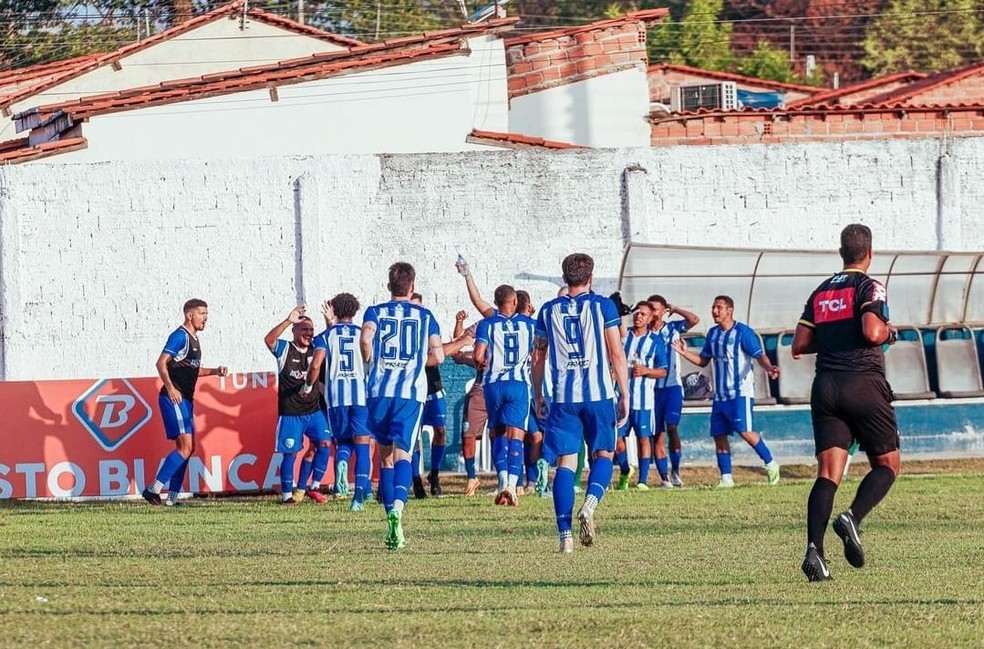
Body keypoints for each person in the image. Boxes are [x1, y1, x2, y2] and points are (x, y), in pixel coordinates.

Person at [792, 224, 901, 582]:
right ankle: (852, 517)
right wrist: (890, 332)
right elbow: (872, 332)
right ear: (869, 253)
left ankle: (815, 551)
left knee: (828, 473)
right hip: (863, 383)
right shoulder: (870, 285)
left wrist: (834, 337)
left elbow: (800, 344)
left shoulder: (821, 291)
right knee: (887, 464)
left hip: (825, 386)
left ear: (841, 253)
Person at [533, 253, 629, 554]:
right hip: (599, 395)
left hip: (564, 398)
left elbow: (538, 357)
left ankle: (565, 538)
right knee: (603, 453)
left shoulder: (548, 311)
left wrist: (538, 394)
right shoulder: (603, 306)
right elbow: (616, 352)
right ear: (591, 277)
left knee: (566, 463)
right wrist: (624, 393)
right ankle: (589, 505)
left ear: (564, 277)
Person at [361, 262, 444, 550]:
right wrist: (417, 364)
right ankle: (397, 507)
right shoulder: (425, 315)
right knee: (404, 454)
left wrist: (371, 360)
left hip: (378, 392)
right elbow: (439, 355)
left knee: (384, 458)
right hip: (410, 394)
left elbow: (365, 340)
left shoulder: (375, 312)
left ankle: (389, 522)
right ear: (412, 286)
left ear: (389, 285)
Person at [671, 296, 781, 488]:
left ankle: (771, 464)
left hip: (740, 393)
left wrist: (770, 367)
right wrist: (684, 352)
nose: (714, 311)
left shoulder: (743, 332)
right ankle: (726, 478)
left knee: (745, 432)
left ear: (729, 310)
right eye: (713, 307)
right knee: (719, 434)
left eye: (719, 307)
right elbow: (703, 361)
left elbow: (759, 355)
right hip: (720, 396)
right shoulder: (713, 334)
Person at [143, 299, 228, 506]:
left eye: (207, 314)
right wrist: (171, 389)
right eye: (202, 314)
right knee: (185, 448)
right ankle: (153, 489)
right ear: (190, 315)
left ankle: (172, 498)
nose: (205, 318)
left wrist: (215, 371)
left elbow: (193, 369)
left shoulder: (195, 340)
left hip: (186, 400)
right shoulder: (180, 335)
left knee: (189, 449)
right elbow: (161, 362)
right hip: (175, 397)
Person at [305, 294, 371, 511]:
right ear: (354, 311)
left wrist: (308, 386)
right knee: (362, 445)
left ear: (334, 309)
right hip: (360, 396)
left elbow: (315, 365)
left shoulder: (325, 336)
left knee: (343, 442)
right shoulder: (364, 333)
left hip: (335, 400)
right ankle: (360, 495)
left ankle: (342, 461)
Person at [473, 284, 537, 506]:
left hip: (492, 385)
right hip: (519, 384)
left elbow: (478, 355)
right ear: (516, 302)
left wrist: (483, 361)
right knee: (516, 436)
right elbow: (538, 353)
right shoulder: (530, 325)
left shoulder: (487, 325)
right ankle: (512, 483)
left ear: (496, 301)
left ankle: (501, 482)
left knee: (498, 432)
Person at [261, 306, 330, 505]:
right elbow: (269, 340)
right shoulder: (285, 350)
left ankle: (309, 487)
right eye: (304, 329)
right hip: (291, 412)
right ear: (295, 331)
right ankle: (287, 496)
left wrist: (328, 322)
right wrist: (288, 320)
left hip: (314, 410)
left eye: (311, 330)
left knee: (324, 444)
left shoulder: (316, 348)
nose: (309, 333)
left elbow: (329, 340)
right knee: (290, 453)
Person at [648, 294, 700, 486]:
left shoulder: (673, 328)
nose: (653, 313)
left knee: (672, 427)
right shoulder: (643, 332)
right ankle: (664, 478)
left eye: (656, 309)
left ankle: (676, 471)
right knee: (657, 433)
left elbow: (694, 320)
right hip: (652, 390)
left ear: (663, 311)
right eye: (650, 308)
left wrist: (676, 308)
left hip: (672, 388)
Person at [616, 301, 668, 490]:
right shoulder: (624, 337)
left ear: (650, 318)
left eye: (643, 314)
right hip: (623, 399)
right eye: (637, 313)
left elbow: (663, 371)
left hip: (644, 400)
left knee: (643, 439)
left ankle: (642, 481)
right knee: (617, 441)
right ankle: (624, 469)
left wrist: (646, 370)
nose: (638, 316)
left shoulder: (655, 341)